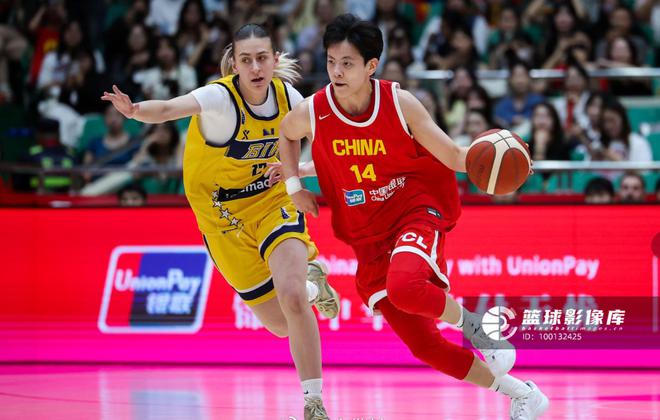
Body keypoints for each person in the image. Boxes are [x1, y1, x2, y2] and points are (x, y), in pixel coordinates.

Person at [275, 14, 549, 420]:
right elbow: (286, 133)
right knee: (425, 347)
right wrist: (294, 186)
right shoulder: (315, 110)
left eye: (347, 63)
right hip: (369, 235)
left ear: (371, 65)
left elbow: (453, 155)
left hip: (415, 211)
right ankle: (523, 394)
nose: (336, 71)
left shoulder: (399, 103)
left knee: (405, 286)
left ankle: (478, 328)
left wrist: (503, 162)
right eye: (331, 61)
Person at [101, 23, 339, 420]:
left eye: (262, 58)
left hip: (272, 201)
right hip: (222, 218)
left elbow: (333, 146)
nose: (255, 67)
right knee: (281, 325)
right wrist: (135, 110)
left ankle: (313, 403)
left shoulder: (291, 99)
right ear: (235, 64)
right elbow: (170, 109)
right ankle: (314, 285)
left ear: (274, 60)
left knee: (292, 297)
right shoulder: (219, 97)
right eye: (246, 60)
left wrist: (300, 172)